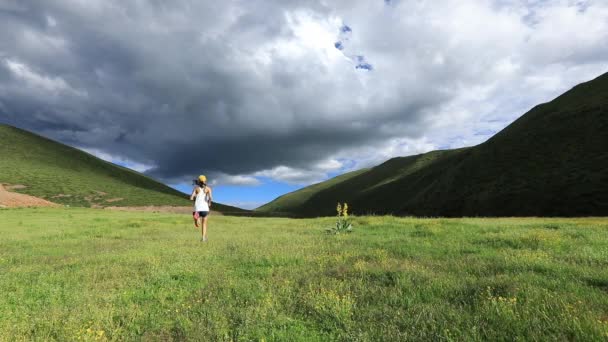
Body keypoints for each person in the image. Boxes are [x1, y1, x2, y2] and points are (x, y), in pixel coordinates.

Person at [190, 175, 212, 242]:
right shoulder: (208, 189)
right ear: (205, 181)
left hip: (197, 209)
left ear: (199, 181)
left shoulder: (196, 188)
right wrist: (209, 203)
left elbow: (191, 198)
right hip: (205, 209)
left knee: (197, 224)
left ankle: (196, 219)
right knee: (204, 224)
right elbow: (210, 198)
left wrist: (196, 196)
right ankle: (203, 238)